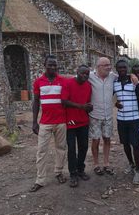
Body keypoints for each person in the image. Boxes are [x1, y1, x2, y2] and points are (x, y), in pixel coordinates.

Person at [30, 55, 67, 192]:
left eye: (54, 65)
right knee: (41, 151)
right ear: (44, 65)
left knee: (61, 149)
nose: (52, 67)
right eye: (50, 65)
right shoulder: (38, 82)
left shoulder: (63, 81)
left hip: (61, 122)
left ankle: (58, 172)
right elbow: (36, 102)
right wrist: (34, 122)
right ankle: (40, 180)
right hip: (45, 122)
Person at [114, 60, 139, 185]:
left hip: (134, 119)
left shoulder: (134, 82)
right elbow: (113, 98)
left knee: (136, 145)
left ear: (127, 68)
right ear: (116, 69)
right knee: (125, 144)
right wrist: (115, 103)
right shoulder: (114, 82)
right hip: (121, 119)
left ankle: (138, 171)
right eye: (119, 68)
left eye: (124, 67)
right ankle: (131, 164)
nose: (122, 69)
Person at [61, 65, 93, 188]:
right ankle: (73, 174)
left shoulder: (88, 86)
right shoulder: (68, 83)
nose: (85, 76)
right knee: (72, 149)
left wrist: (89, 108)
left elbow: (87, 103)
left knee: (84, 147)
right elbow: (64, 101)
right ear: (77, 72)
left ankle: (80, 170)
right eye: (82, 73)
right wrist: (81, 107)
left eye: (87, 74)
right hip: (71, 122)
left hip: (83, 121)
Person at [88, 57, 117, 175]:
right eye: (106, 65)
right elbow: (74, 78)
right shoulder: (89, 76)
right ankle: (96, 164)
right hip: (95, 115)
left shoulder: (112, 76)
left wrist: (133, 76)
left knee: (107, 139)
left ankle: (106, 163)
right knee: (95, 140)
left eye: (109, 65)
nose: (109, 67)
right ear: (98, 67)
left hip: (108, 115)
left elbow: (124, 75)